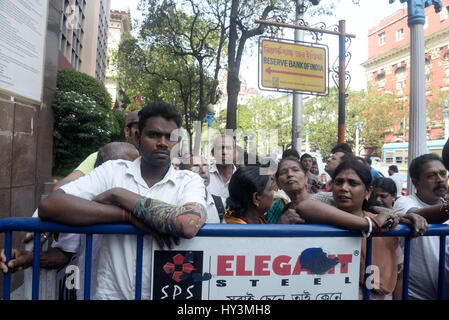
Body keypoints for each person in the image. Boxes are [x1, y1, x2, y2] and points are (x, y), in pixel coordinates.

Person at [38, 101, 208, 300]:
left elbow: (188, 224)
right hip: (109, 295)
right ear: (137, 136)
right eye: (153, 135)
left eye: (170, 137)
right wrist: (126, 216)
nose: (163, 142)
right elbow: (50, 205)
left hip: (166, 294)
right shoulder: (111, 171)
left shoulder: (189, 182)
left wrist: (118, 195)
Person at [0, 141, 140, 300]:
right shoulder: (81, 207)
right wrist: (29, 258)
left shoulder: (150, 201)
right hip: (93, 293)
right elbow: (62, 255)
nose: (134, 173)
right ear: (104, 171)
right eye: (127, 167)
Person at [295, 159, 403, 299]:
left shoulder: (386, 225)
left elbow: (399, 273)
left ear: (368, 192)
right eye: (339, 182)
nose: (344, 188)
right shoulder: (322, 219)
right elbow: (304, 207)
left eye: (353, 183)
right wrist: (369, 225)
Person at [393, 153, 449, 300]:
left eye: (443, 173)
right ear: (416, 183)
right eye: (431, 175)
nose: (440, 179)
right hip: (413, 295)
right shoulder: (404, 202)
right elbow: (417, 215)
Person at [183, 155, 221, 223]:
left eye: (206, 167)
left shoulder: (221, 204)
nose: (203, 171)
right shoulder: (177, 203)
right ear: (185, 173)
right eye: (195, 168)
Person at [208, 134, 237, 205]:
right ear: (213, 152)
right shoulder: (204, 175)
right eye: (220, 148)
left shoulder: (241, 177)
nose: (224, 152)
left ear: (234, 152)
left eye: (228, 148)